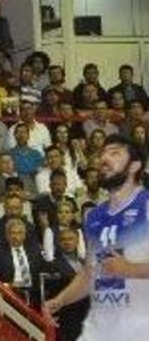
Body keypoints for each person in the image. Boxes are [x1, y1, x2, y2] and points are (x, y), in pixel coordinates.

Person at [44, 134, 149, 337]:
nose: (104, 159)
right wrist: (61, 300)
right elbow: (90, 272)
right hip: (98, 328)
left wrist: (130, 268)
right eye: (103, 154)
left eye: (115, 153)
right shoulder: (94, 216)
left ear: (134, 166)